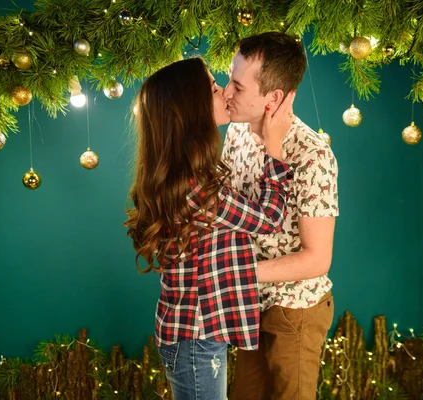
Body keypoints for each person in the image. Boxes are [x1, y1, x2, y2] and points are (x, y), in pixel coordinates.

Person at [123, 57, 296, 400]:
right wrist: (273, 147)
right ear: (193, 108)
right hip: (195, 341)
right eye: (215, 88)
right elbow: (270, 218)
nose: (225, 92)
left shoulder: (185, 175)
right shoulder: (196, 189)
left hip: (193, 336)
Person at [222, 32, 339, 400]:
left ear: (273, 98)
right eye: (229, 79)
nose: (226, 92)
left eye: (238, 87)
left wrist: (239, 273)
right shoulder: (237, 132)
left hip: (296, 310)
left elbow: (317, 259)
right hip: (249, 306)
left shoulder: (312, 157)